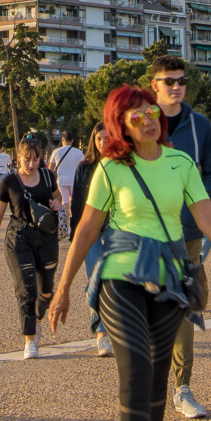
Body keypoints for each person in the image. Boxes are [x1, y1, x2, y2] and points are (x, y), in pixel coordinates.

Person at [48, 85, 211, 421]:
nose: (149, 119)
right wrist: (63, 287)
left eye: (151, 111)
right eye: (136, 115)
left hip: (170, 279)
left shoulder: (180, 163)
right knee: (136, 367)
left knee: (158, 377)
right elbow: (86, 229)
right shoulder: (110, 169)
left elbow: (204, 214)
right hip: (121, 277)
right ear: (121, 124)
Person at [148, 54, 211, 421]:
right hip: (146, 234)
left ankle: (182, 387)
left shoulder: (199, 126)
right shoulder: (141, 121)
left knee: (183, 308)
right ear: (155, 85)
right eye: (169, 81)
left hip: (188, 233)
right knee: (149, 308)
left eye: (181, 80)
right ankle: (146, 384)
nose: (177, 86)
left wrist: (201, 200)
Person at [0, 134, 64, 359]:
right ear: (17, 157)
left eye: (35, 159)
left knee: (47, 291)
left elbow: (58, 198)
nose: (31, 164)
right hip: (19, 238)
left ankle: (37, 318)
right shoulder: (9, 182)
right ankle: (29, 339)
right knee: (26, 287)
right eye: (26, 159)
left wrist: (57, 203)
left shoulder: (48, 176)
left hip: (46, 238)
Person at [71, 123, 114, 357]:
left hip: (116, 230)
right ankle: (101, 332)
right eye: (99, 138)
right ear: (93, 141)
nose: (103, 142)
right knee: (95, 281)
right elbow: (78, 202)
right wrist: (76, 233)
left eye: (107, 138)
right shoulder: (84, 168)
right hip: (91, 231)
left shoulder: (120, 165)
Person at [51, 132, 85, 236]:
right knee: (74, 202)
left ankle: (67, 227)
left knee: (65, 203)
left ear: (62, 140)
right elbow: (83, 166)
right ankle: (77, 225)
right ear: (72, 140)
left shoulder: (56, 152)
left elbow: (51, 168)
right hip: (74, 180)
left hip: (61, 180)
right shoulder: (78, 152)